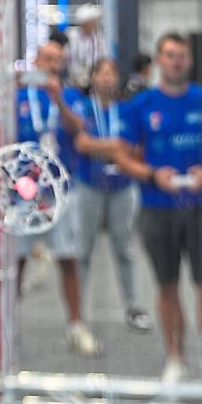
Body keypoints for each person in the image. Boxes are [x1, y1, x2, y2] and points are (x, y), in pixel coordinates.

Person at [111, 33, 202, 385]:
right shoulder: (140, 106)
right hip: (157, 208)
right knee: (167, 286)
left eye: (182, 55)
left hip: (201, 207)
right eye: (169, 55)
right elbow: (121, 157)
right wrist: (154, 174)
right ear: (158, 61)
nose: (176, 61)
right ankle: (176, 359)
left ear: (190, 61)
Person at [15, 40, 101, 355]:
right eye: (47, 59)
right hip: (22, 191)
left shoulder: (71, 96)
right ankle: (7, 326)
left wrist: (59, 100)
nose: (52, 65)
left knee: (68, 259)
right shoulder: (18, 96)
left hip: (62, 190)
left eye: (57, 60)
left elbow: (79, 129)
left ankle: (76, 325)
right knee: (16, 260)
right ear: (35, 60)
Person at [66, 58, 151, 333]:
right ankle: (78, 314)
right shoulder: (83, 108)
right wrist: (114, 147)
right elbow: (81, 142)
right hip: (90, 185)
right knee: (83, 250)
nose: (106, 79)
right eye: (101, 73)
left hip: (122, 187)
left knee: (124, 248)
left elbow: (133, 147)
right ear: (93, 78)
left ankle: (133, 305)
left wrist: (105, 147)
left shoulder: (126, 110)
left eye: (111, 73)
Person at [65, 4, 109, 91]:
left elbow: (104, 59)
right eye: (92, 21)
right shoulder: (70, 36)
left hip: (93, 81)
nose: (94, 24)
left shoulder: (99, 39)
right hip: (73, 81)